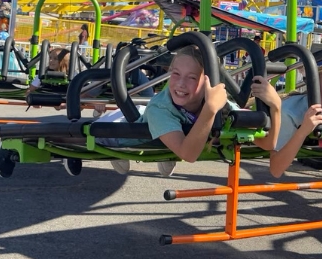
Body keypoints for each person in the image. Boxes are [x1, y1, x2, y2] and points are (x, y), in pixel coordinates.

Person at [103, 45, 281, 177]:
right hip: (122, 134)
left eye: (192, 77)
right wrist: (210, 109)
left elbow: (267, 144)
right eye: (176, 74)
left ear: (207, 82)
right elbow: (189, 154)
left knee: (176, 137)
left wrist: (276, 107)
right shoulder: (160, 107)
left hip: (174, 133)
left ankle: (169, 152)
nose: (180, 83)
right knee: (104, 132)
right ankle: (125, 151)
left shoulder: (216, 100)